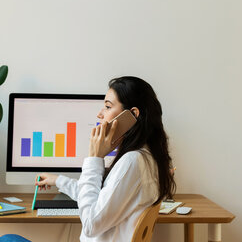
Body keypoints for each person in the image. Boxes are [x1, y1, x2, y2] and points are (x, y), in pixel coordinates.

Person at [35, 76, 176, 241]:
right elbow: (100, 199)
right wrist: (58, 180)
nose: (100, 114)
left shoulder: (132, 161)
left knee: (8, 239)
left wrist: (95, 158)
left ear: (132, 115)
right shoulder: (145, 157)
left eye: (107, 107)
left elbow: (90, 225)